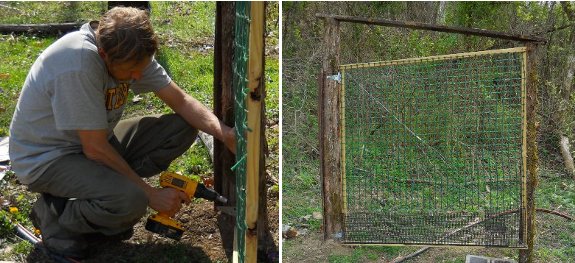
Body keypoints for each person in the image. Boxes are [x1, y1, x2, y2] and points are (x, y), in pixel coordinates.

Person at [8, 7, 235, 260]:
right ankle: (56, 218)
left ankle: (108, 199)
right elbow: (93, 148)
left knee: (179, 129)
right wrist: (150, 195)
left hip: (93, 141)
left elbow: (180, 100)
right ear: (104, 54)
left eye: (142, 67)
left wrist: (225, 134)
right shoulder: (77, 64)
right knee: (132, 200)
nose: (138, 76)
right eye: (130, 71)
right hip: (46, 159)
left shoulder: (131, 50)